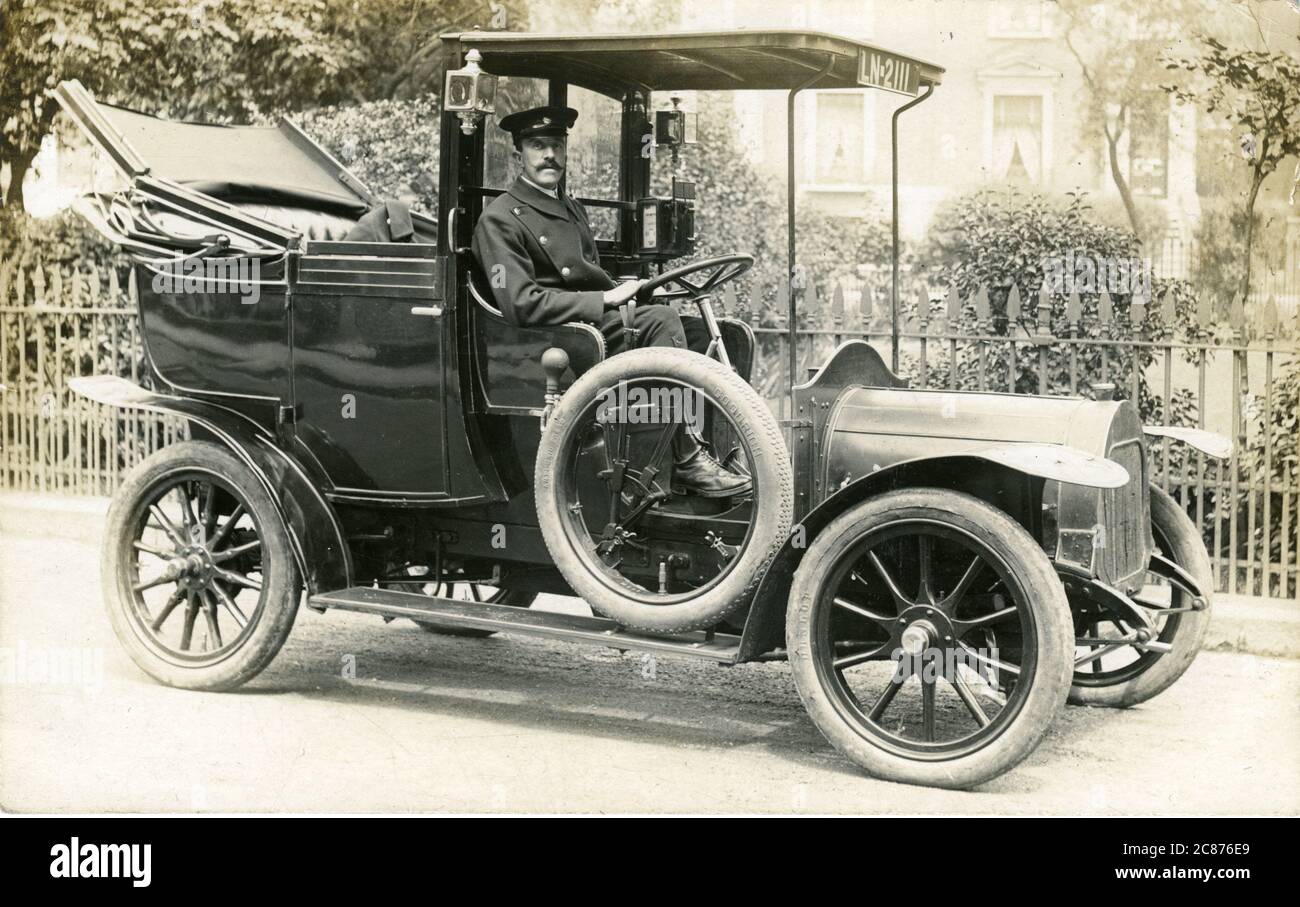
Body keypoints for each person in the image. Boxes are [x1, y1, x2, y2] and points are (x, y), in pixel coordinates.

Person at [472, 105, 749, 498]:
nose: (549, 154)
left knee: (706, 331)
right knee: (662, 323)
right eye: (537, 146)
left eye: (556, 145)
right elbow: (521, 303)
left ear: (566, 151)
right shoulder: (500, 218)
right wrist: (604, 298)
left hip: (585, 327)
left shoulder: (571, 208)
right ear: (519, 155)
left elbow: (586, 272)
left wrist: (631, 289)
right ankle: (685, 461)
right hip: (555, 339)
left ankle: (717, 452)